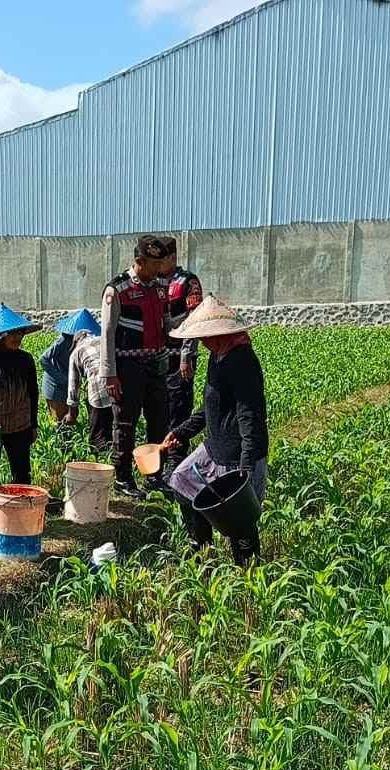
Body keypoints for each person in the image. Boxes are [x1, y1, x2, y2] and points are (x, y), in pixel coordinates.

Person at [161, 297, 268, 565]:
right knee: (182, 482)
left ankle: (249, 574)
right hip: (215, 446)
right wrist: (182, 432)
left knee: (238, 519)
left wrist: (245, 464)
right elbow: (210, 406)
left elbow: (249, 414)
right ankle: (202, 551)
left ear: (223, 333)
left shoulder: (242, 360)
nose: (203, 342)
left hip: (237, 450)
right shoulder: (217, 357)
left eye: (207, 336)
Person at [101, 235, 172, 497]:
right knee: (125, 423)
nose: (158, 268)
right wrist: (109, 374)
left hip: (156, 363)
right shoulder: (117, 290)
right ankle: (123, 477)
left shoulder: (160, 286)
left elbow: (167, 324)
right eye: (153, 264)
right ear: (139, 261)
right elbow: (107, 334)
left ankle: (153, 475)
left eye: (160, 263)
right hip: (127, 366)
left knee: (158, 421)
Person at [0, 304, 40, 492]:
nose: (17, 338)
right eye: (11, 334)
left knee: (22, 473)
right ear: (0, 337)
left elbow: (33, 393)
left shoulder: (26, 360)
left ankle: (22, 507)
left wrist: (33, 424)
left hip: (20, 426)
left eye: (20, 333)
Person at [156, 238, 204, 468]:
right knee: (159, 411)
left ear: (173, 258)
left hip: (179, 358)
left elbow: (194, 320)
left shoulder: (188, 282)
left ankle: (176, 463)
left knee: (179, 409)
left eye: (161, 259)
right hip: (158, 357)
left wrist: (187, 356)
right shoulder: (154, 282)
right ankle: (158, 461)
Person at [40, 307, 99, 423]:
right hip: (55, 386)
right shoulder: (64, 340)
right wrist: (62, 378)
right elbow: (44, 359)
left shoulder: (89, 343)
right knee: (60, 421)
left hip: (70, 384)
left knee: (72, 416)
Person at [65, 333, 113, 453]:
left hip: (99, 389)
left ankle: (102, 464)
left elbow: (73, 387)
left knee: (97, 437)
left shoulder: (76, 352)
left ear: (76, 342)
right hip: (119, 386)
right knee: (118, 430)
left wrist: (72, 414)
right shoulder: (102, 340)